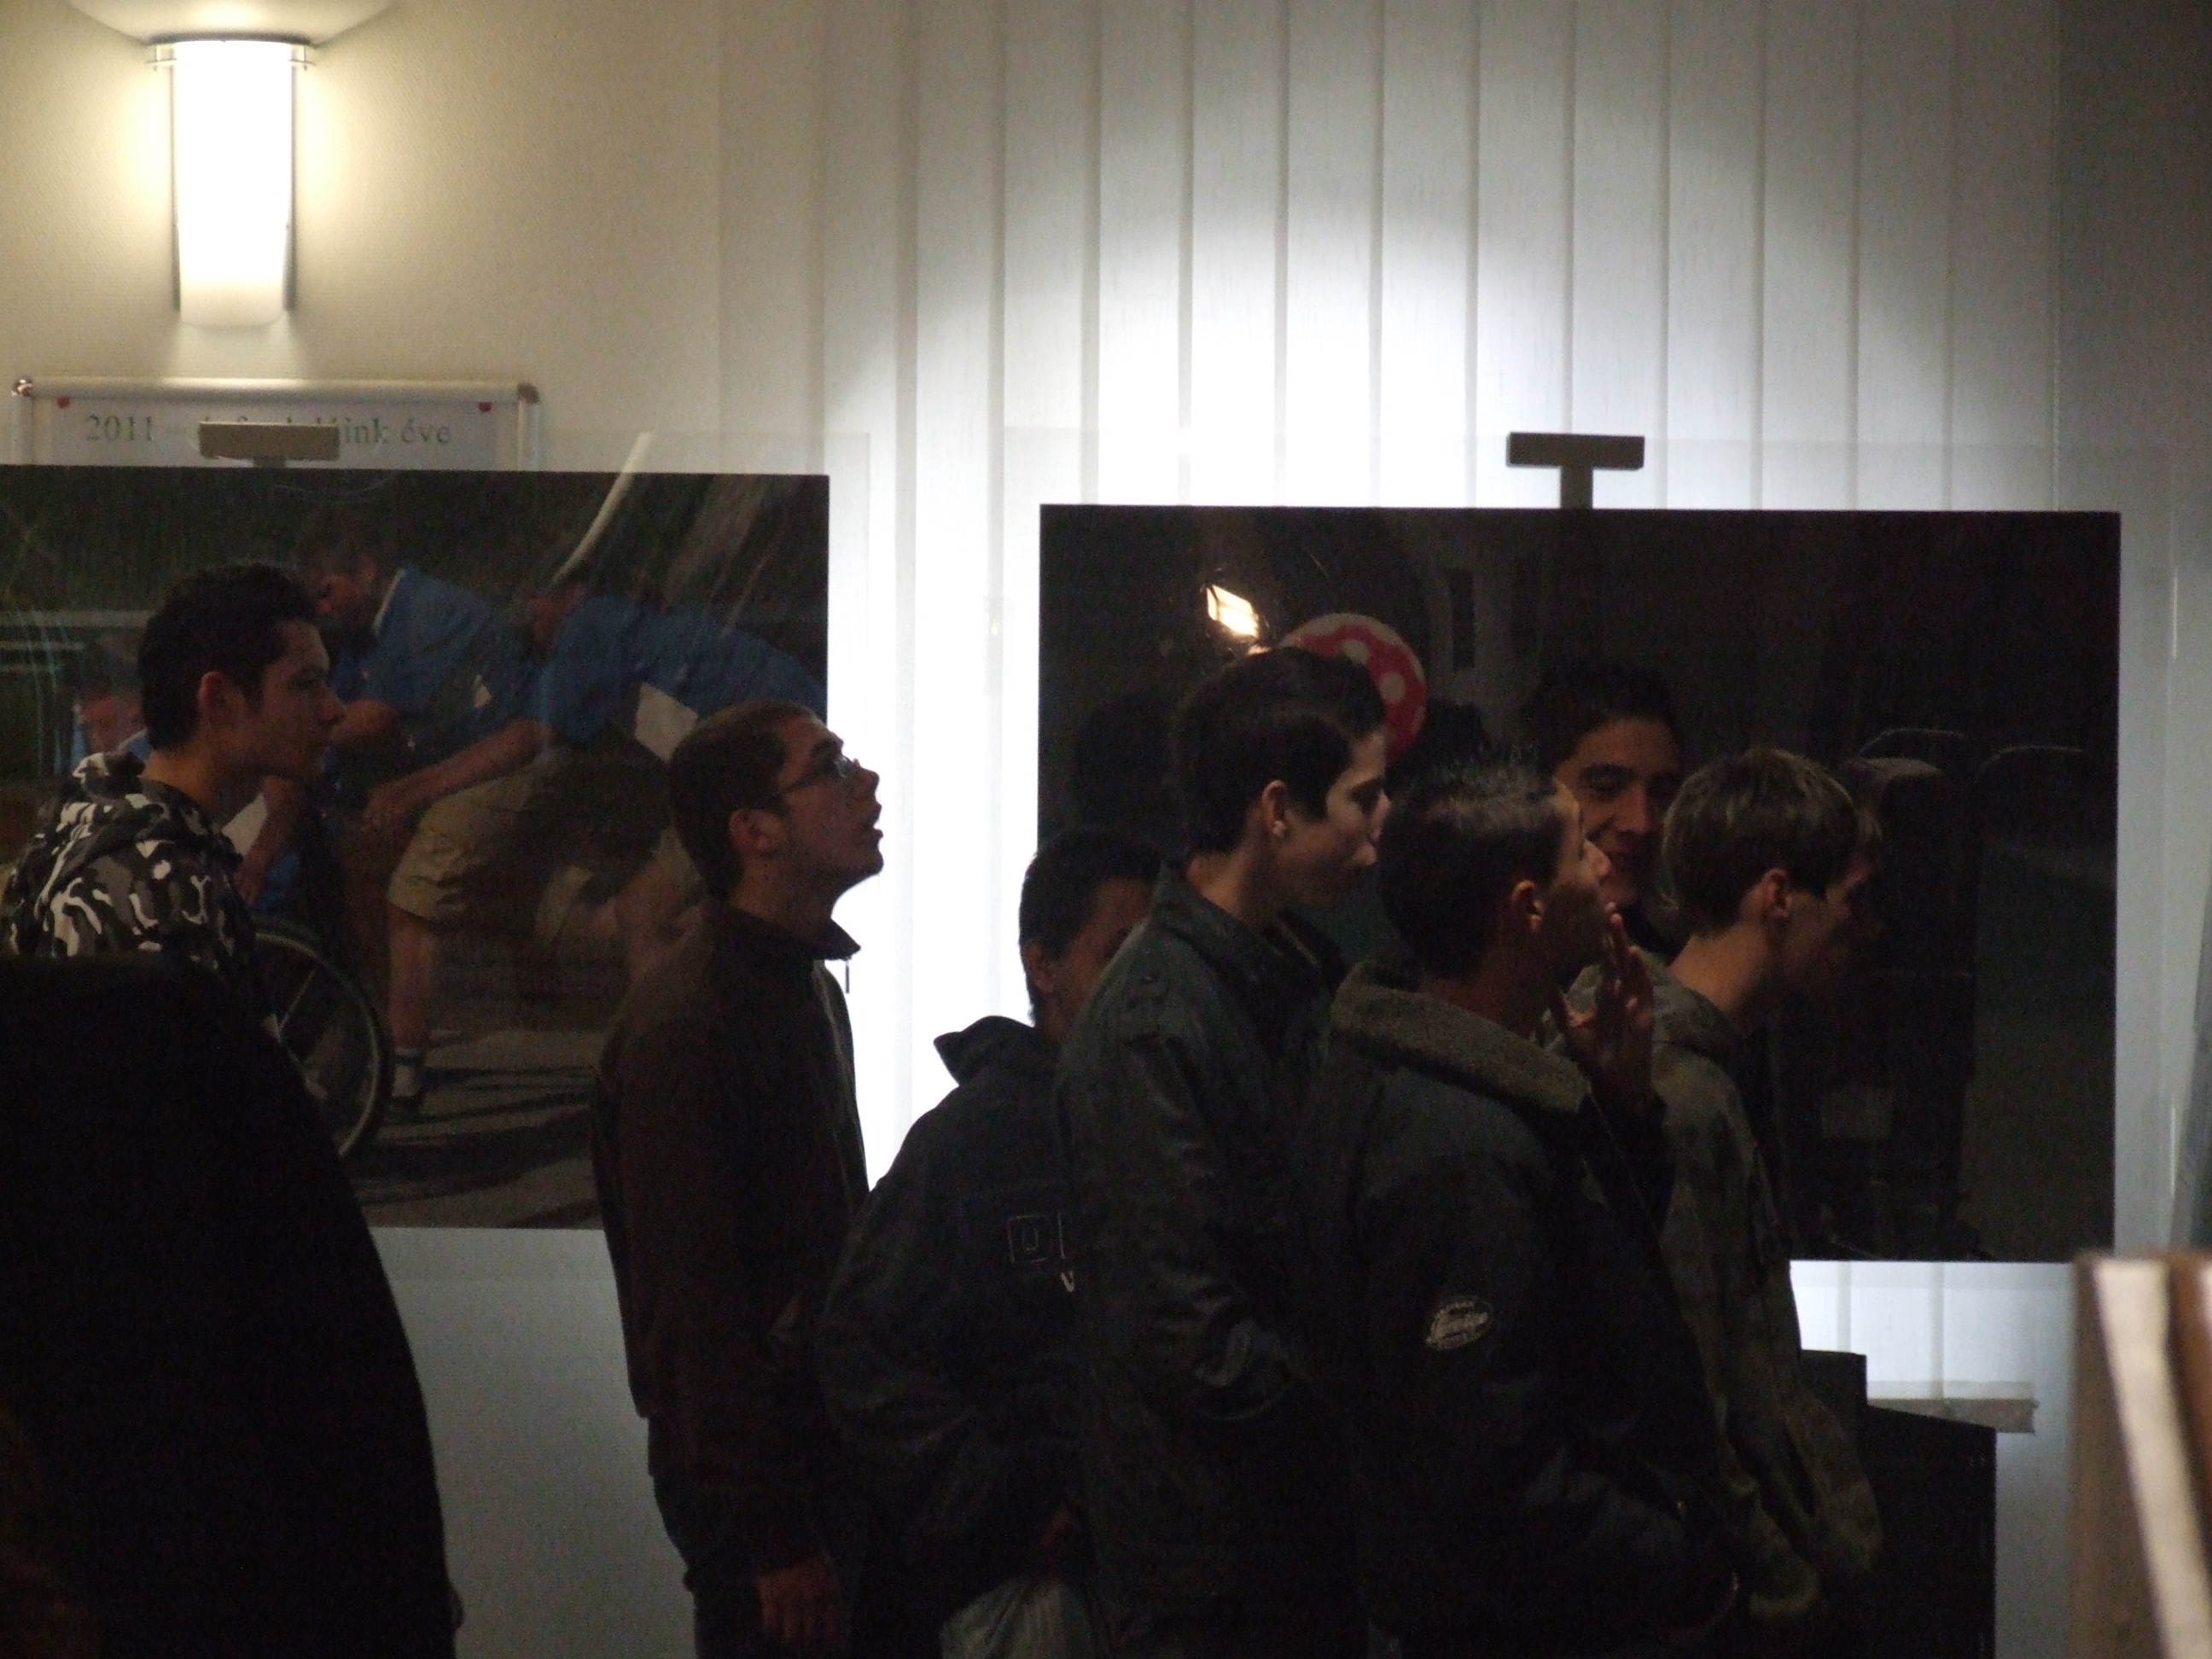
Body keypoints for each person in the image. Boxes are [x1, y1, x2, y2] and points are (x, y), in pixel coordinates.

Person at [1287, 759, 1737, 1659]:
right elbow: (1491, 1475)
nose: (1605, 864)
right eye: (1580, 851)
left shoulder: (1434, 1076)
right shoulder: (1457, 1145)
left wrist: (1619, 1109)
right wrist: (1679, 1565)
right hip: (1516, 1628)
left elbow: (1582, 1293)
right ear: (1527, 907)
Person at [1057, 648, 1389, 1659]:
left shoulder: (1288, 972)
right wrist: (1382, 1399)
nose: (1383, 822)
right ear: (1277, 809)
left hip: (1280, 1539)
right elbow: (1193, 1344)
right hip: (1214, 1572)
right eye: (1363, 797)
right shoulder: (1157, 1021)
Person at [591, 699, 883, 1659]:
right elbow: (695, 1307)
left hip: (814, 1462)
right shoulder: (690, 1026)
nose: (866, 783)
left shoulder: (801, 988)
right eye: (829, 767)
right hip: (769, 1490)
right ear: (754, 831)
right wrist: (774, 1532)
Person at [817, 830, 1160, 1643]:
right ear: (1043, 965)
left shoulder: (1166, 1123)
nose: (1142, 989)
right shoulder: (973, 1142)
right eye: (1117, 955)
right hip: (1032, 1582)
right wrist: (1007, 1506)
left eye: (1155, 963)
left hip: (1148, 1564)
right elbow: (861, 1347)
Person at [1647, 751, 1884, 1654]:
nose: (1861, 928)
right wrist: (1782, 1587)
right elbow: (1695, 1394)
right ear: (1779, 896)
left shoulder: (1704, 1067)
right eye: (1851, 898)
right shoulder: (1678, 1094)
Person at [3, 564, 342, 1023]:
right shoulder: (159, 895)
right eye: (306, 684)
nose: (334, 709)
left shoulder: (109, 827)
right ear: (219, 699)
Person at [294, 504, 543, 1115]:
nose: (323, 608)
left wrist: (283, 733)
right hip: (456, 766)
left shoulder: (426, 610)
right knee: (356, 867)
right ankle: (376, 1033)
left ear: (366, 570)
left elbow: (369, 719)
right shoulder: (367, 629)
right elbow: (338, 713)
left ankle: (401, 1073)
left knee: (410, 896)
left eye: (327, 591)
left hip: (510, 761)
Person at [523, 576, 828, 979]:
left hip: (773, 776)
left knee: (641, 913)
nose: (528, 610)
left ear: (577, 591)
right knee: (689, 916)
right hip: (784, 769)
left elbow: (532, 736)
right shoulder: (642, 641)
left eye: (538, 594)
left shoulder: (590, 623)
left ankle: (667, 1021)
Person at [1522, 658, 1685, 952]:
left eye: (1662, 793)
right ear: (1536, 787)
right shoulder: (1477, 960)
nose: (1641, 824)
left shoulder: (1673, 957)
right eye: (1606, 786)